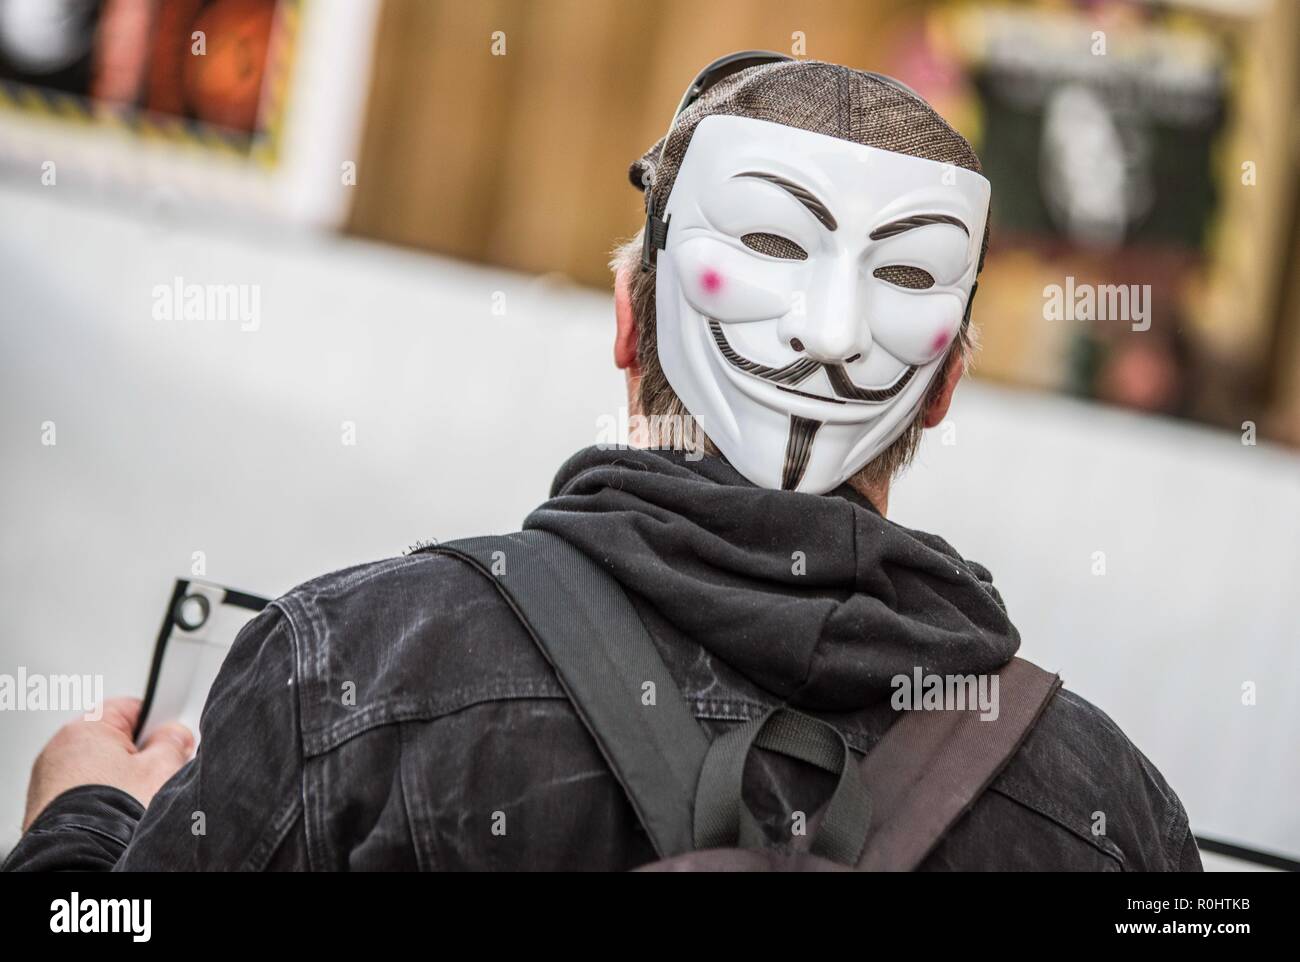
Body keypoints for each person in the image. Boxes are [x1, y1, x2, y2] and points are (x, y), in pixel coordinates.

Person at [5, 55, 1200, 872]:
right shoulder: (1113, 814)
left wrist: (81, 824)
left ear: (627, 317)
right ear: (943, 386)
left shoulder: (348, 675)